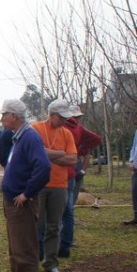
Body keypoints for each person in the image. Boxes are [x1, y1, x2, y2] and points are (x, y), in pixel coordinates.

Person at [0, 99, 51, 272]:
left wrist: (27, 193)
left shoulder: (29, 137)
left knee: (25, 251)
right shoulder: (19, 137)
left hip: (22, 205)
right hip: (12, 202)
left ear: (14, 116)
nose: (1, 119)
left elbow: (44, 167)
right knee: (15, 250)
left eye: (4, 114)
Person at [31, 99, 77, 272]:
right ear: (52, 115)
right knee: (36, 225)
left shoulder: (67, 133)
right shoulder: (35, 129)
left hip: (60, 186)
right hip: (39, 185)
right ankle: (32, 261)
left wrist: (48, 155)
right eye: (62, 117)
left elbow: (73, 159)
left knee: (54, 226)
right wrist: (60, 154)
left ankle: (51, 263)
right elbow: (36, 154)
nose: (65, 121)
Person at [59, 105, 102, 257]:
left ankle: (60, 241)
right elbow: (96, 139)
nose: (78, 119)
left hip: (60, 169)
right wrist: (80, 151)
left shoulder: (60, 127)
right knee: (68, 207)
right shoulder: (78, 129)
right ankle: (67, 241)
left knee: (59, 207)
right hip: (72, 167)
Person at [124, 114, 137, 226]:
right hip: (136, 169)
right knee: (135, 191)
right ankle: (136, 216)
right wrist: (132, 161)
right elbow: (134, 148)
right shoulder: (136, 132)